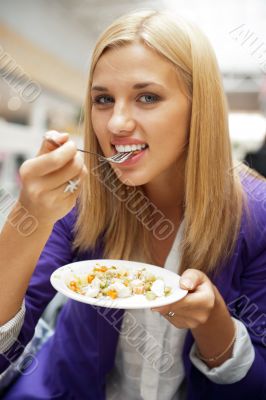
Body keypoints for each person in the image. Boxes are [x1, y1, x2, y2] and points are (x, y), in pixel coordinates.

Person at [0, 9, 266, 400]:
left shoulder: (256, 214)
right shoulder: (79, 197)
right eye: (103, 99)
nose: (116, 123)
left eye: (147, 97)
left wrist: (215, 327)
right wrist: (28, 217)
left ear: (200, 108)